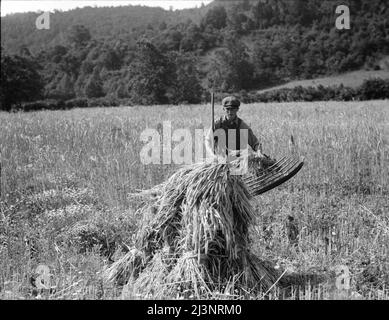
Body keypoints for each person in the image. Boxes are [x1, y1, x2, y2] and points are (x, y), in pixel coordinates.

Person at [205, 96, 265, 162]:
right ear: (223, 109)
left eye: (233, 109)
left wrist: (259, 153)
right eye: (228, 109)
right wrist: (212, 155)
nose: (230, 112)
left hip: (237, 161)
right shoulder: (217, 124)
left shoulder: (242, 126)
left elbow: (256, 144)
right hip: (219, 160)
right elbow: (208, 140)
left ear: (237, 109)